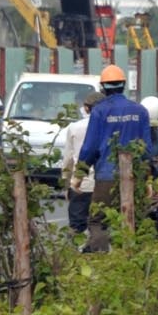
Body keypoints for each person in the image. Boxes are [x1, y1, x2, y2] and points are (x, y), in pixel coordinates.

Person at [76, 64, 158, 251]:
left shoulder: (99, 111)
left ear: (103, 87)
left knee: (98, 221)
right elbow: (146, 150)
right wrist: (148, 179)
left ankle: (101, 262)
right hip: (135, 176)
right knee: (134, 220)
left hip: (106, 176)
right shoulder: (140, 111)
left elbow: (90, 147)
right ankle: (132, 261)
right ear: (123, 85)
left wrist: (79, 175)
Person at [57, 90, 101, 235]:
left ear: (86, 108)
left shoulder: (75, 127)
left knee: (76, 227)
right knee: (100, 225)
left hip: (80, 184)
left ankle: (76, 255)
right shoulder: (110, 126)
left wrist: (66, 182)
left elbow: (68, 158)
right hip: (104, 183)